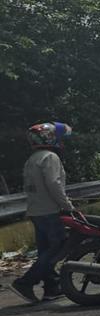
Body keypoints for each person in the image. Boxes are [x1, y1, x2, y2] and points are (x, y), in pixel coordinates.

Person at [9, 122, 76, 304]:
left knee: (45, 251)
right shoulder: (50, 157)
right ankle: (26, 281)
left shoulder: (33, 159)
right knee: (58, 248)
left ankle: (51, 288)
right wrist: (68, 206)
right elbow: (53, 184)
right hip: (50, 211)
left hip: (37, 211)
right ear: (51, 138)